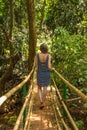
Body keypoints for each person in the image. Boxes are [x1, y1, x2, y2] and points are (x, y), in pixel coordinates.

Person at [35, 43, 52, 109]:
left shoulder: (37, 55)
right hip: (46, 74)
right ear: (46, 49)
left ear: (41, 49)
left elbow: (36, 66)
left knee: (39, 87)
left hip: (39, 73)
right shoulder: (48, 56)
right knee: (45, 87)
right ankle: (43, 102)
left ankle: (41, 101)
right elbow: (49, 66)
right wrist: (52, 69)